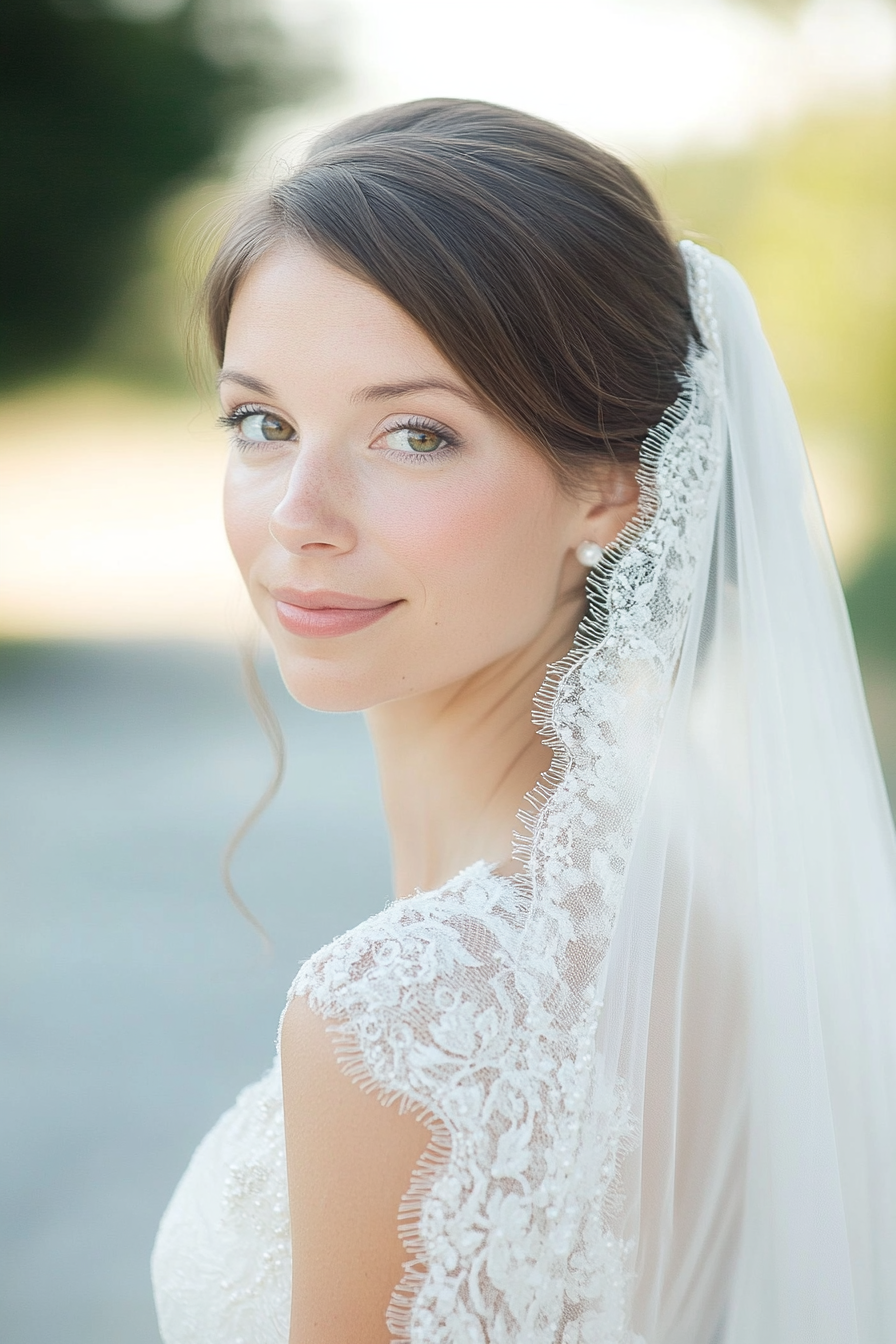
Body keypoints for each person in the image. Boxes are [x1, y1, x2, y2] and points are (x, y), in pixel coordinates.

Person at [150, 99, 896, 1344]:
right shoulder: (687, 882)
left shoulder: (396, 1012)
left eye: (415, 434)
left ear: (606, 491)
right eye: (261, 424)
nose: (300, 513)